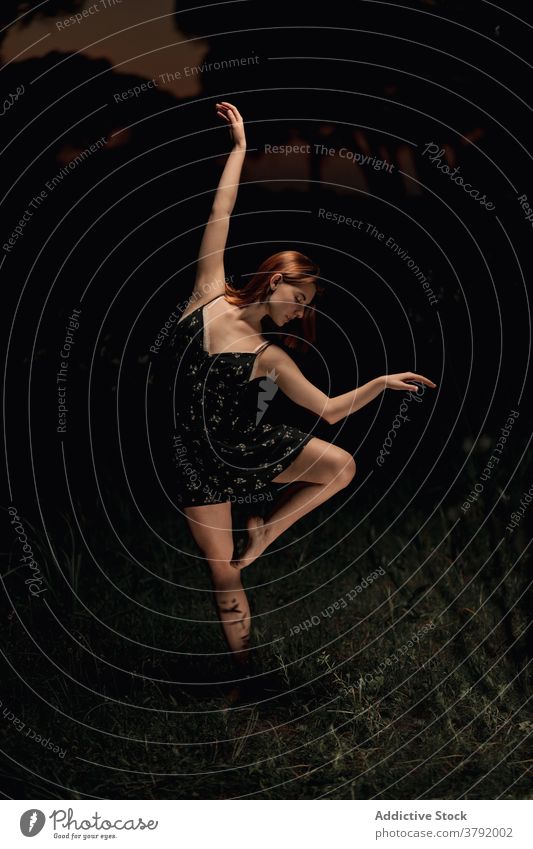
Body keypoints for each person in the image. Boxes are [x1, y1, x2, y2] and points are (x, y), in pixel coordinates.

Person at [163, 101, 436, 696]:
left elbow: (332, 410)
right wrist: (238, 149)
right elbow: (221, 210)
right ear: (279, 279)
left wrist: (382, 383)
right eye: (303, 298)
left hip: (244, 447)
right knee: (221, 575)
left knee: (341, 467)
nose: (302, 311)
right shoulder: (208, 293)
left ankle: (266, 533)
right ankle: (243, 675)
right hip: (196, 459)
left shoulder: (273, 357)